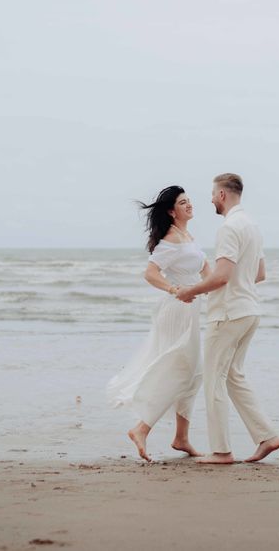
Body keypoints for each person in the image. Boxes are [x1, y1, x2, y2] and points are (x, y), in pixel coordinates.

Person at [176, 173, 279, 464]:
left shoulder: (228, 228)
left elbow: (222, 276)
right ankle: (267, 436)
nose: (211, 199)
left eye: (213, 194)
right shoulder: (252, 226)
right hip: (249, 311)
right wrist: (237, 285)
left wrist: (191, 290)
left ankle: (221, 450)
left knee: (214, 380)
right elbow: (259, 274)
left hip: (228, 314)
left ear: (222, 195)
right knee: (234, 376)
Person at [106, 185, 209, 462]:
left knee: (195, 373)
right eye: (183, 202)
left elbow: (206, 271)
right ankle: (141, 429)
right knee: (181, 371)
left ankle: (181, 438)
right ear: (171, 212)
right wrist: (174, 289)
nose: (189, 205)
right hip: (177, 311)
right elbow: (150, 273)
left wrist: (225, 289)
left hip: (191, 310)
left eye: (189, 200)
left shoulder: (188, 237)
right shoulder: (171, 240)